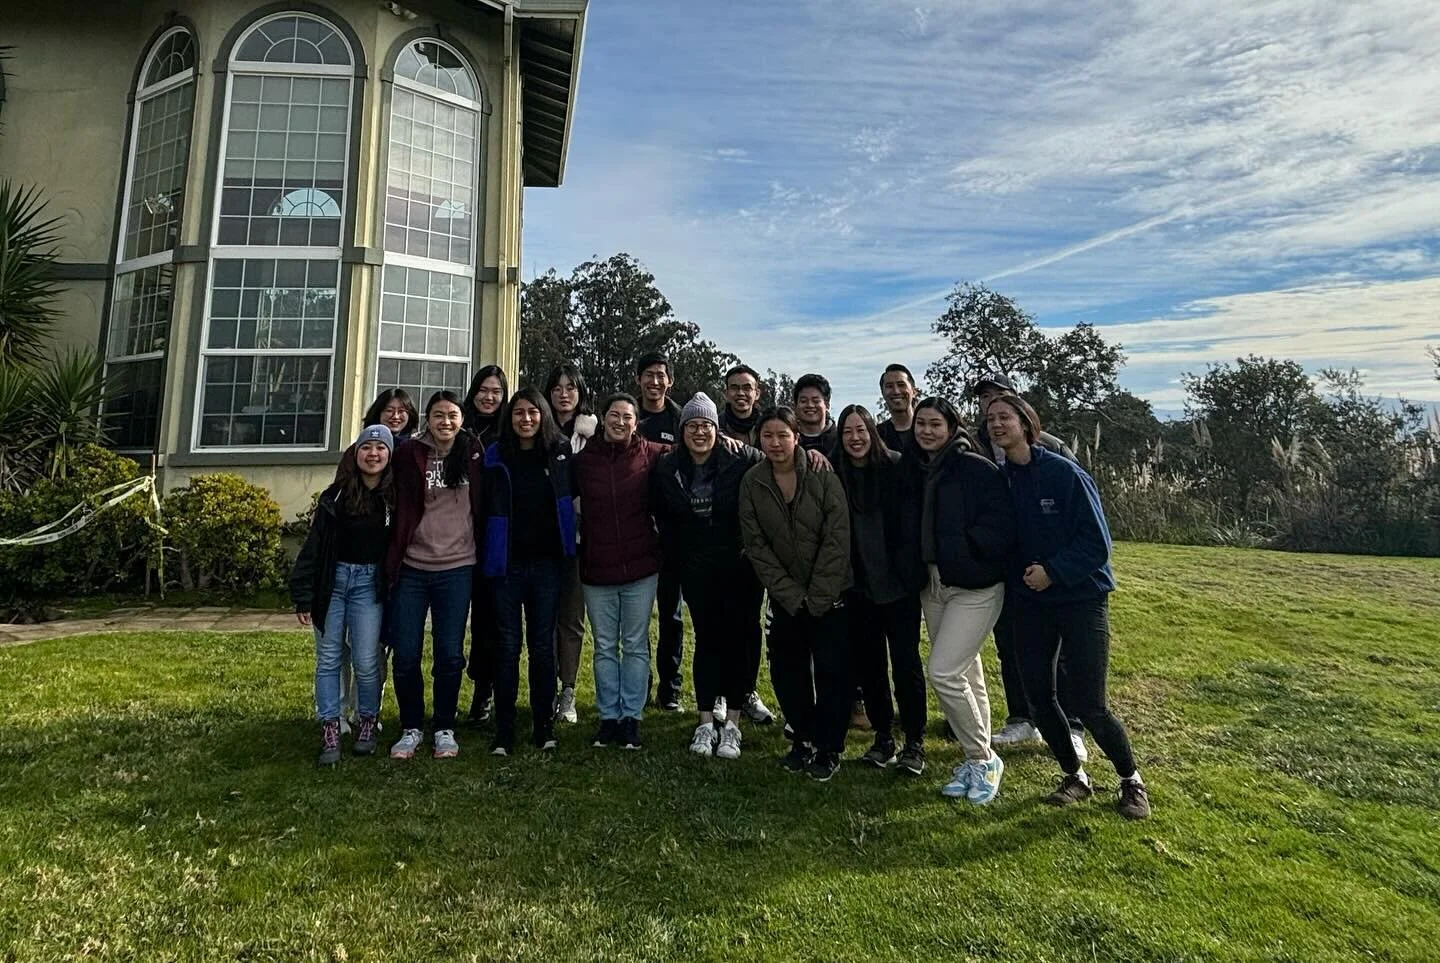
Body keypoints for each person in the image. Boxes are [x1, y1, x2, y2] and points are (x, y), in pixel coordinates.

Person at [986, 394, 1151, 820]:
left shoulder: (1064, 474)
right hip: (1031, 604)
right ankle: (1075, 776)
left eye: (1005, 417)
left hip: (1080, 598)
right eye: (991, 419)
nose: (997, 424)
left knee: (1090, 702)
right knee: (1039, 698)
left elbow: (1097, 545)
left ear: (1026, 423)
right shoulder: (1003, 480)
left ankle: (1131, 781)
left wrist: (1053, 572)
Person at [970, 372, 1085, 759]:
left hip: (1053, 569)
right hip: (1008, 568)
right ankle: (1022, 717)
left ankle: (1072, 725)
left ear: (1017, 406)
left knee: (1061, 651)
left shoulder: (1053, 451)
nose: (991, 407)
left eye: (999, 398)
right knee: (1011, 644)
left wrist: (1057, 567)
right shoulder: (974, 446)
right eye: (985, 400)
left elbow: (1080, 511)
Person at [739, 407, 852, 782]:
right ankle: (802, 739)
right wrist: (789, 594)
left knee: (832, 674)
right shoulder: (753, 483)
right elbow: (756, 545)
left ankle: (830, 747)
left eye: (782, 435)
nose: (775, 443)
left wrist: (818, 595)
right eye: (767, 436)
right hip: (786, 599)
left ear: (796, 437)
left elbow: (837, 538)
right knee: (789, 673)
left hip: (829, 596)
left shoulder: (822, 474)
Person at [651, 393, 766, 759]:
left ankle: (731, 724)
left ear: (717, 429)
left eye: (707, 426)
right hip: (695, 567)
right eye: (693, 426)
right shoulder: (668, 467)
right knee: (707, 640)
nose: (700, 432)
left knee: (735, 641)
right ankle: (704, 722)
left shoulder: (739, 457)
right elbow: (660, 510)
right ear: (682, 430)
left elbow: (776, 461)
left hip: (738, 564)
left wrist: (810, 455)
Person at [911, 397, 1014, 805]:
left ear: (952, 426)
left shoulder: (975, 467)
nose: (926, 431)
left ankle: (983, 757)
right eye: (921, 424)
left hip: (975, 586)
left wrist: (970, 552)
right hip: (934, 584)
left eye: (935, 424)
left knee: (944, 673)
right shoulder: (919, 469)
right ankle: (977, 758)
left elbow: (1001, 525)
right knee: (968, 673)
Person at [479, 388, 577, 755]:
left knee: (541, 647)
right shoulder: (495, 455)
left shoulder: (561, 453)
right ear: (511, 417)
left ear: (543, 415)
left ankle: (543, 725)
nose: (526, 419)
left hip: (549, 565)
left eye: (533, 412)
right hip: (506, 567)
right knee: (506, 647)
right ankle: (504, 730)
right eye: (519, 412)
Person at [385, 391, 483, 760]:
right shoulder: (409, 453)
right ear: (427, 419)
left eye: (453, 415)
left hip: (457, 567)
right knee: (406, 653)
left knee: (449, 653)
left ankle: (444, 725)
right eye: (439, 415)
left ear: (461, 419)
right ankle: (411, 726)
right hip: (413, 566)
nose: (446, 422)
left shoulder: (473, 452)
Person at [291, 425, 395, 765]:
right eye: (367, 447)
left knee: (366, 660)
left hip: (369, 585)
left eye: (381, 448)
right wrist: (303, 594)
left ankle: (367, 720)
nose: (374, 454)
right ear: (356, 453)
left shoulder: (394, 498)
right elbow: (313, 548)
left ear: (389, 455)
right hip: (333, 583)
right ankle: (330, 725)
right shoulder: (334, 496)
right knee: (329, 659)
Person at [835, 405, 929, 776]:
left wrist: (909, 572)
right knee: (870, 666)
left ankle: (915, 741)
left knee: (906, 664)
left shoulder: (896, 466)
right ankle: (883, 737)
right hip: (859, 589)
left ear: (871, 432)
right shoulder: (835, 472)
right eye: (847, 432)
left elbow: (911, 525)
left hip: (898, 586)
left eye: (861, 430)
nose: (855, 438)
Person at [573, 393, 668, 750]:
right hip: (597, 570)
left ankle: (632, 717)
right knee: (604, 648)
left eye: (628, 417)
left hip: (641, 568)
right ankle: (608, 717)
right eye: (614, 415)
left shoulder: (652, 454)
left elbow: (695, 445)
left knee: (635, 644)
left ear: (636, 422)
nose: (621, 421)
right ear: (603, 418)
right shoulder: (584, 461)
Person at [634, 352, 687, 711]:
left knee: (671, 614)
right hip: (635, 530)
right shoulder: (628, 415)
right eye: (648, 375)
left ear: (670, 381)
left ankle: (670, 688)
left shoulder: (681, 419)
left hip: (672, 533)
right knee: (636, 618)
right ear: (638, 379)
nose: (655, 382)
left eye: (661, 376)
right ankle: (639, 686)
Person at [546, 362, 597, 725]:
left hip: (578, 540)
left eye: (571, 388)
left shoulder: (591, 435)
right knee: (542, 618)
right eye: (558, 387)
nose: (564, 394)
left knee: (571, 618)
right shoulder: (538, 428)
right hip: (540, 539)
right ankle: (544, 686)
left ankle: (567, 690)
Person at [462, 364, 509, 725]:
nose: (489, 397)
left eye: (496, 391)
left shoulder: (509, 432)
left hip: (493, 538)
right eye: (484, 389)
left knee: (488, 621)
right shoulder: (457, 427)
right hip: (455, 537)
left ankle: (484, 691)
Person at [792, 374, 838, 456]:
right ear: (795, 405)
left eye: (816, 401)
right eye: (803, 401)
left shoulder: (840, 441)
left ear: (827, 404)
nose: (810, 405)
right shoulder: (788, 441)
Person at [877, 364, 918, 453]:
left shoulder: (929, 430)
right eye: (889, 386)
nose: (896, 391)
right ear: (883, 394)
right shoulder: (877, 436)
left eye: (901, 385)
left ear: (914, 391)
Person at [719, 363, 763, 446]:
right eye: (734, 388)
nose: (740, 393)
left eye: (747, 388)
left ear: (757, 394)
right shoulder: (716, 427)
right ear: (726, 394)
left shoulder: (766, 426)